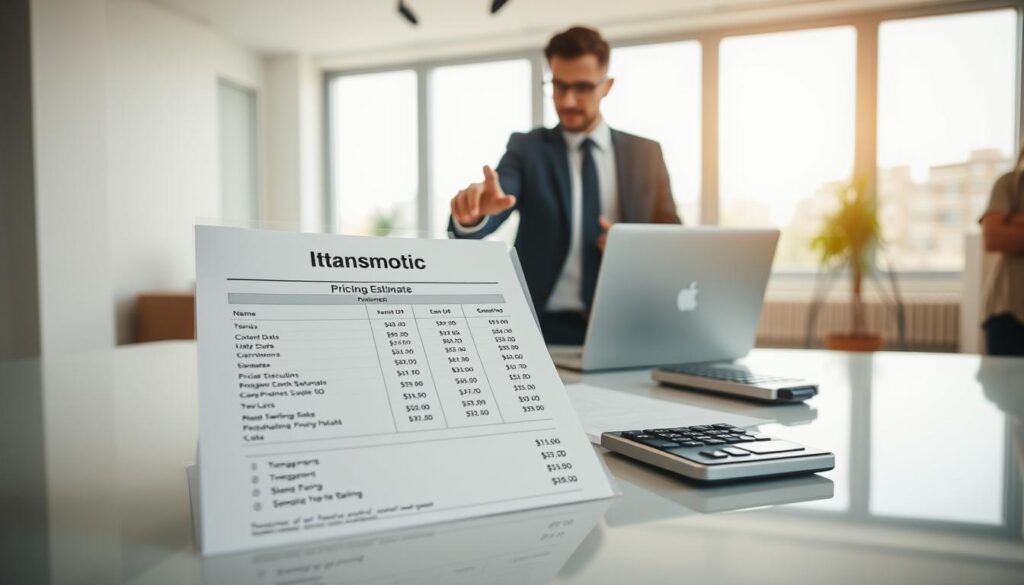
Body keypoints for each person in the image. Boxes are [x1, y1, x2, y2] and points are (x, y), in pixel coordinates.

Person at [448, 26, 681, 344]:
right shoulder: (527, 148)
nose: (568, 100)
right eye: (559, 86)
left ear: (607, 86)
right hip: (540, 327)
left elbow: (674, 238)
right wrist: (474, 214)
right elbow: (499, 199)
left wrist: (633, 247)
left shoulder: (646, 154)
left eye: (582, 87)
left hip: (626, 323)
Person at [979, 144, 1024, 356]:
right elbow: (993, 237)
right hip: (1008, 311)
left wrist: (1014, 221)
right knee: (1003, 385)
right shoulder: (1010, 184)